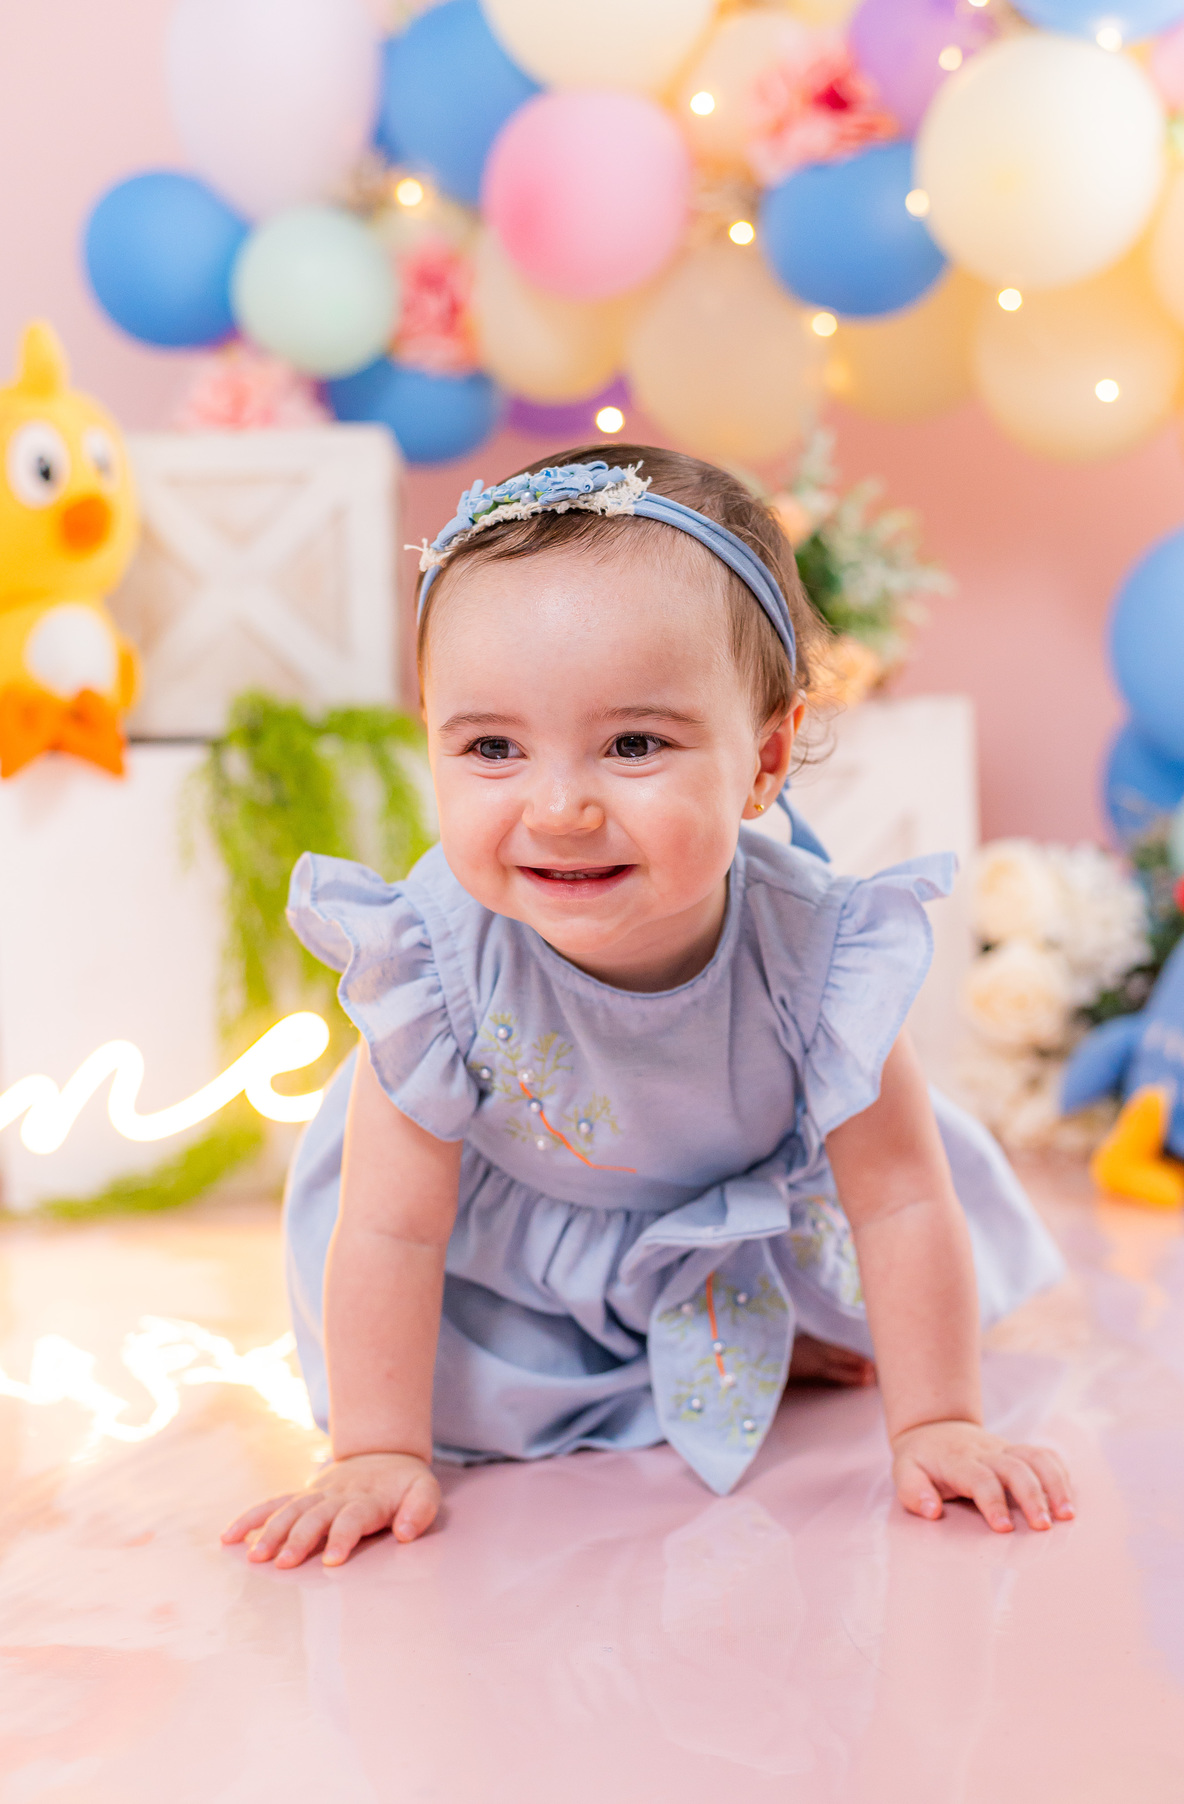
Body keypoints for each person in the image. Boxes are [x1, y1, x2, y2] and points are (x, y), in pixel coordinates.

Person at [223, 446, 1073, 1570]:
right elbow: (393, 1226)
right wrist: (377, 1449)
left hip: (749, 1213)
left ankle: (756, 1319)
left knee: (888, 1309)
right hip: (525, 1261)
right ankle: (642, 1353)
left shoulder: (815, 950)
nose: (560, 807)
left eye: (633, 744)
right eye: (491, 747)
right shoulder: (439, 962)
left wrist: (939, 1422)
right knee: (479, 1390)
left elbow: (903, 1199)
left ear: (764, 759)